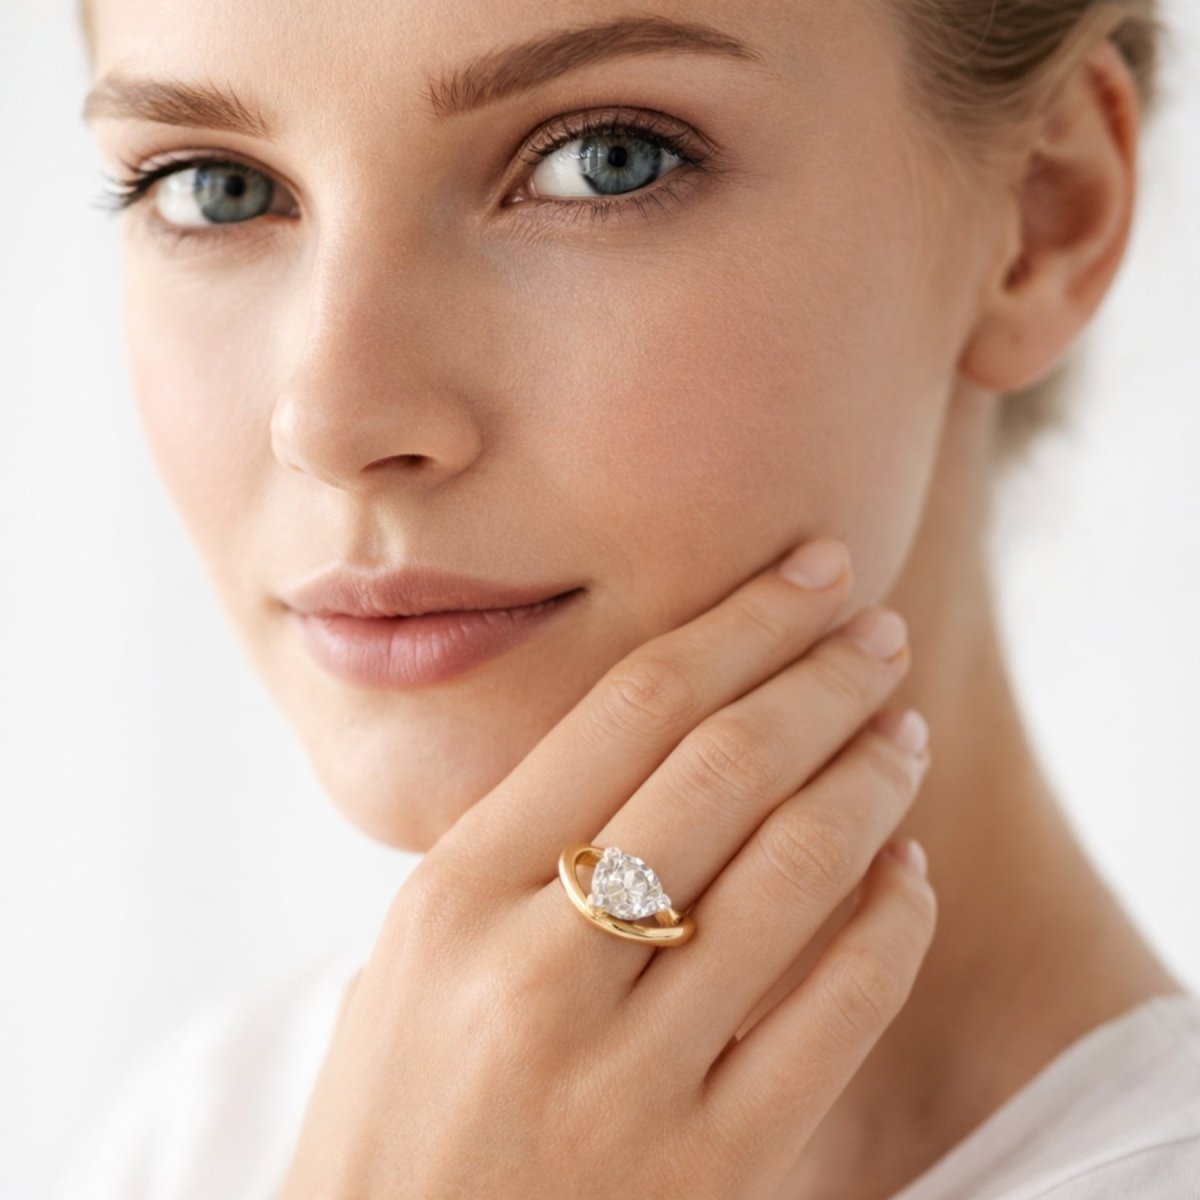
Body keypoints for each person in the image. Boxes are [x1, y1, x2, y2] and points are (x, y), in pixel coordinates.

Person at [59, 0, 1200, 1196]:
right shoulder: (194, 1139)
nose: (334, 420)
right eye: (211, 187)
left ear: (1043, 217)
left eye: (604, 161)